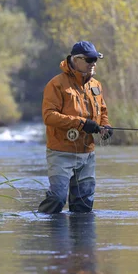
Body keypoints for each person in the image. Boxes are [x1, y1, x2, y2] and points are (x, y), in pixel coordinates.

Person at [37, 41, 113, 213]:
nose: (93, 63)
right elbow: (49, 116)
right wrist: (81, 123)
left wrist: (105, 126)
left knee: (84, 205)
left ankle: (82, 240)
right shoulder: (56, 84)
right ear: (75, 60)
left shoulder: (96, 85)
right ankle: (43, 228)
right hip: (61, 152)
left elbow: (103, 111)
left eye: (96, 59)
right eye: (90, 59)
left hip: (87, 153)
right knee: (57, 199)